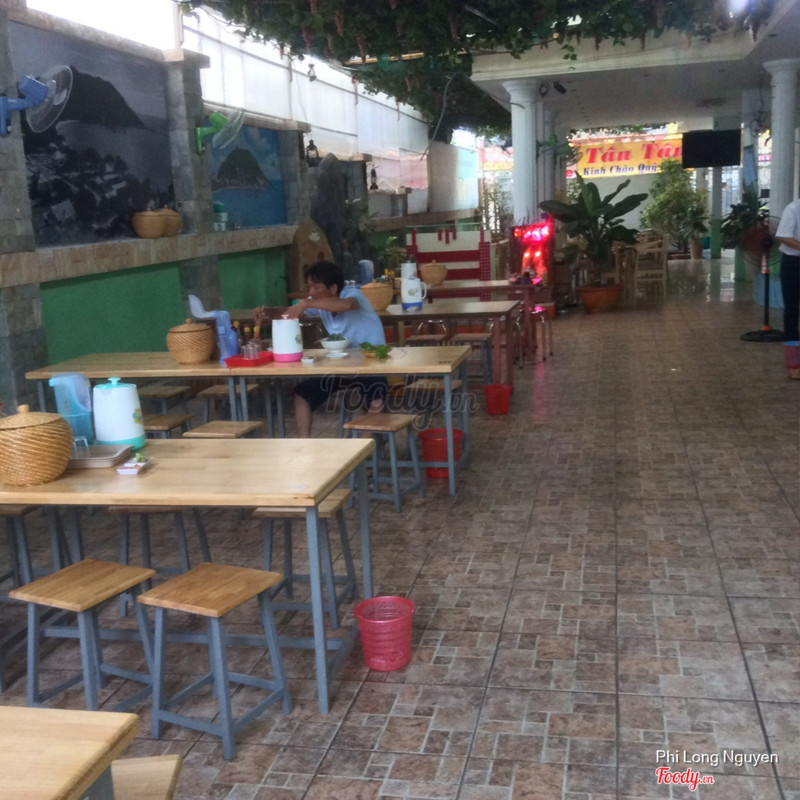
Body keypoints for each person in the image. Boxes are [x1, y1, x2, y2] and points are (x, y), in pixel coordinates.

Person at [254, 261, 388, 437]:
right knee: (302, 395)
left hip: (373, 364)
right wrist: (266, 311)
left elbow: (347, 305)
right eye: (309, 287)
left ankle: (364, 446)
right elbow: (289, 312)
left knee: (376, 398)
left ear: (333, 289)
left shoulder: (352, 294)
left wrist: (306, 304)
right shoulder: (317, 303)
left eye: (316, 287)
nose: (311, 292)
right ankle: (305, 445)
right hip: (342, 367)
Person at [777, 195, 800, 341]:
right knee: (792, 304)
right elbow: (784, 236)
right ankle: (792, 342)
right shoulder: (793, 209)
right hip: (793, 263)